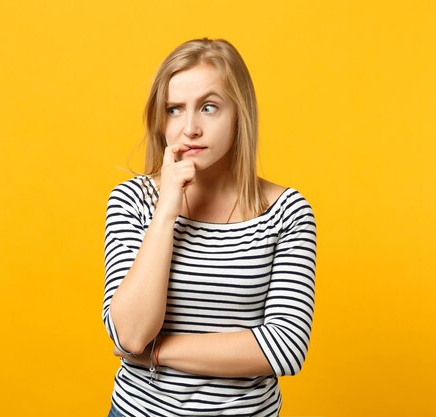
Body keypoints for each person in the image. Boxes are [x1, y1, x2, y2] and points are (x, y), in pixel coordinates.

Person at [102, 38, 317, 417]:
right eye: (174, 109)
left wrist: (156, 352)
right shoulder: (132, 200)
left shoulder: (286, 212)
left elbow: (284, 348)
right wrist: (166, 208)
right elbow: (131, 332)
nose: (190, 128)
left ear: (239, 114)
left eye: (209, 107)